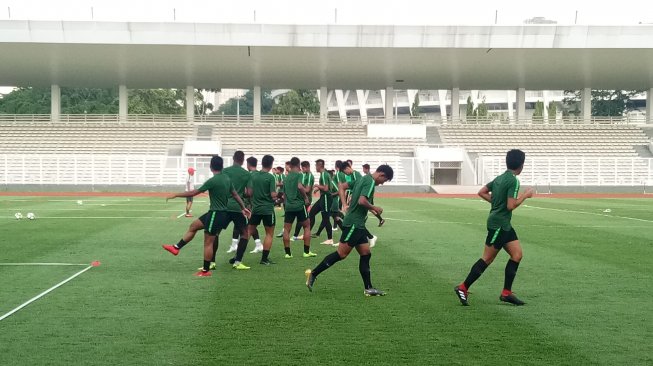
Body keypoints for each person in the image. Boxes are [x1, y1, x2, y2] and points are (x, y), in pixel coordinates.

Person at [454, 149, 533, 306]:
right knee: (487, 258)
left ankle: (506, 292)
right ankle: (463, 287)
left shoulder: (500, 178)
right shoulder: (513, 181)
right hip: (498, 226)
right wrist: (525, 195)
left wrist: (496, 203)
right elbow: (511, 205)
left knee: (517, 254)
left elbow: (482, 192)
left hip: (504, 224)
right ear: (522, 165)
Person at [305, 165, 394, 296]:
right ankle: (313, 274)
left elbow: (342, 186)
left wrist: (345, 204)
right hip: (354, 224)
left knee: (366, 253)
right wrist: (375, 207)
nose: (382, 184)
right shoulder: (370, 182)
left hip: (358, 225)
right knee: (341, 254)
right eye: (384, 181)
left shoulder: (361, 179)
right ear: (382, 175)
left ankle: (368, 288)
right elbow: (362, 201)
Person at [162, 155, 250, 276]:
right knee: (193, 226)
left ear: (211, 166)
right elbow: (235, 195)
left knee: (208, 242)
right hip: (215, 213)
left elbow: (194, 192)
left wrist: (176, 194)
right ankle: (176, 247)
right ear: (222, 166)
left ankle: (205, 270)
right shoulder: (226, 179)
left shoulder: (213, 180)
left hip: (216, 214)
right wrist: (243, 207)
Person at [222, 151, 253, 270]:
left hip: (224, 206)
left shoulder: (225, 171)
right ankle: (238, 261)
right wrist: (241, 194)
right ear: (243, 160)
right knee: (245, 233)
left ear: (233, 158)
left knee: (215, 233)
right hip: (238, 207)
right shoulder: (246, 174)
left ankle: (211, 262)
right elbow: (249, 193)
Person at [282, 157, 316, 259]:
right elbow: (300, 186)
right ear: (298, 165)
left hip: (289, 206)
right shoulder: (299, 175)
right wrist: (305, 198)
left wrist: (286, 204)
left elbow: (284, 194)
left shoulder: (286, 177)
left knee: (286, 230)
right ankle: (306, 252)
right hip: (299, 205)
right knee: (307, 226)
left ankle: (288, 253)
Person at [247, 154, 278, 265]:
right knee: (269, 234)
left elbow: (249, 192)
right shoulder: (270, 177)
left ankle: (238, 256)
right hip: (268, 210)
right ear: (271, 165)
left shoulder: (254, 176)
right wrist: (279, 196)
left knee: (248, 231)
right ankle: (264, 259)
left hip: (256, 209)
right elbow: (273, 195)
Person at [308, 159, 333, 245]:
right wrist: (318, 189)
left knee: (325, 218)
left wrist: (316, 185)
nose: (315, 167)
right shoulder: (324, 174)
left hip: (326, 198)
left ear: (319, 166)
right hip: (323, 197)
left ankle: (330, 239)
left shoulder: (324, 175)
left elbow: (326, 188)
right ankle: (307, 233)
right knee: (311, 213)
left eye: (316, 166)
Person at [292, 161, 314, 241]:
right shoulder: (304, 175)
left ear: (307, 167)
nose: (302, 169)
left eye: (303, 168)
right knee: (302, 218)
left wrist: (300, 187)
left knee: (302, 218)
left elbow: (307, 190)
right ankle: (297, 235)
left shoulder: (310, 176)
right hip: (302, 199)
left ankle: (296, 236)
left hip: (306, 200)